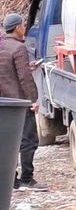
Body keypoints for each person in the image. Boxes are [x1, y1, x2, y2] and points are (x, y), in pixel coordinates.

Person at [1, 13, 47, 191]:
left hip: (4, 104)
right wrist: (32, 100)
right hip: (19, 104)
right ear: (17, 28)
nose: (23, 28)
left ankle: (11, 180)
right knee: (29, 141)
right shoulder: (19, 48)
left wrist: (27, 66)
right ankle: (27, 179)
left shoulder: (2, 46)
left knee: (7, 143)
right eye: (22, 25)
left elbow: (7, 71)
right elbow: (24, 78)